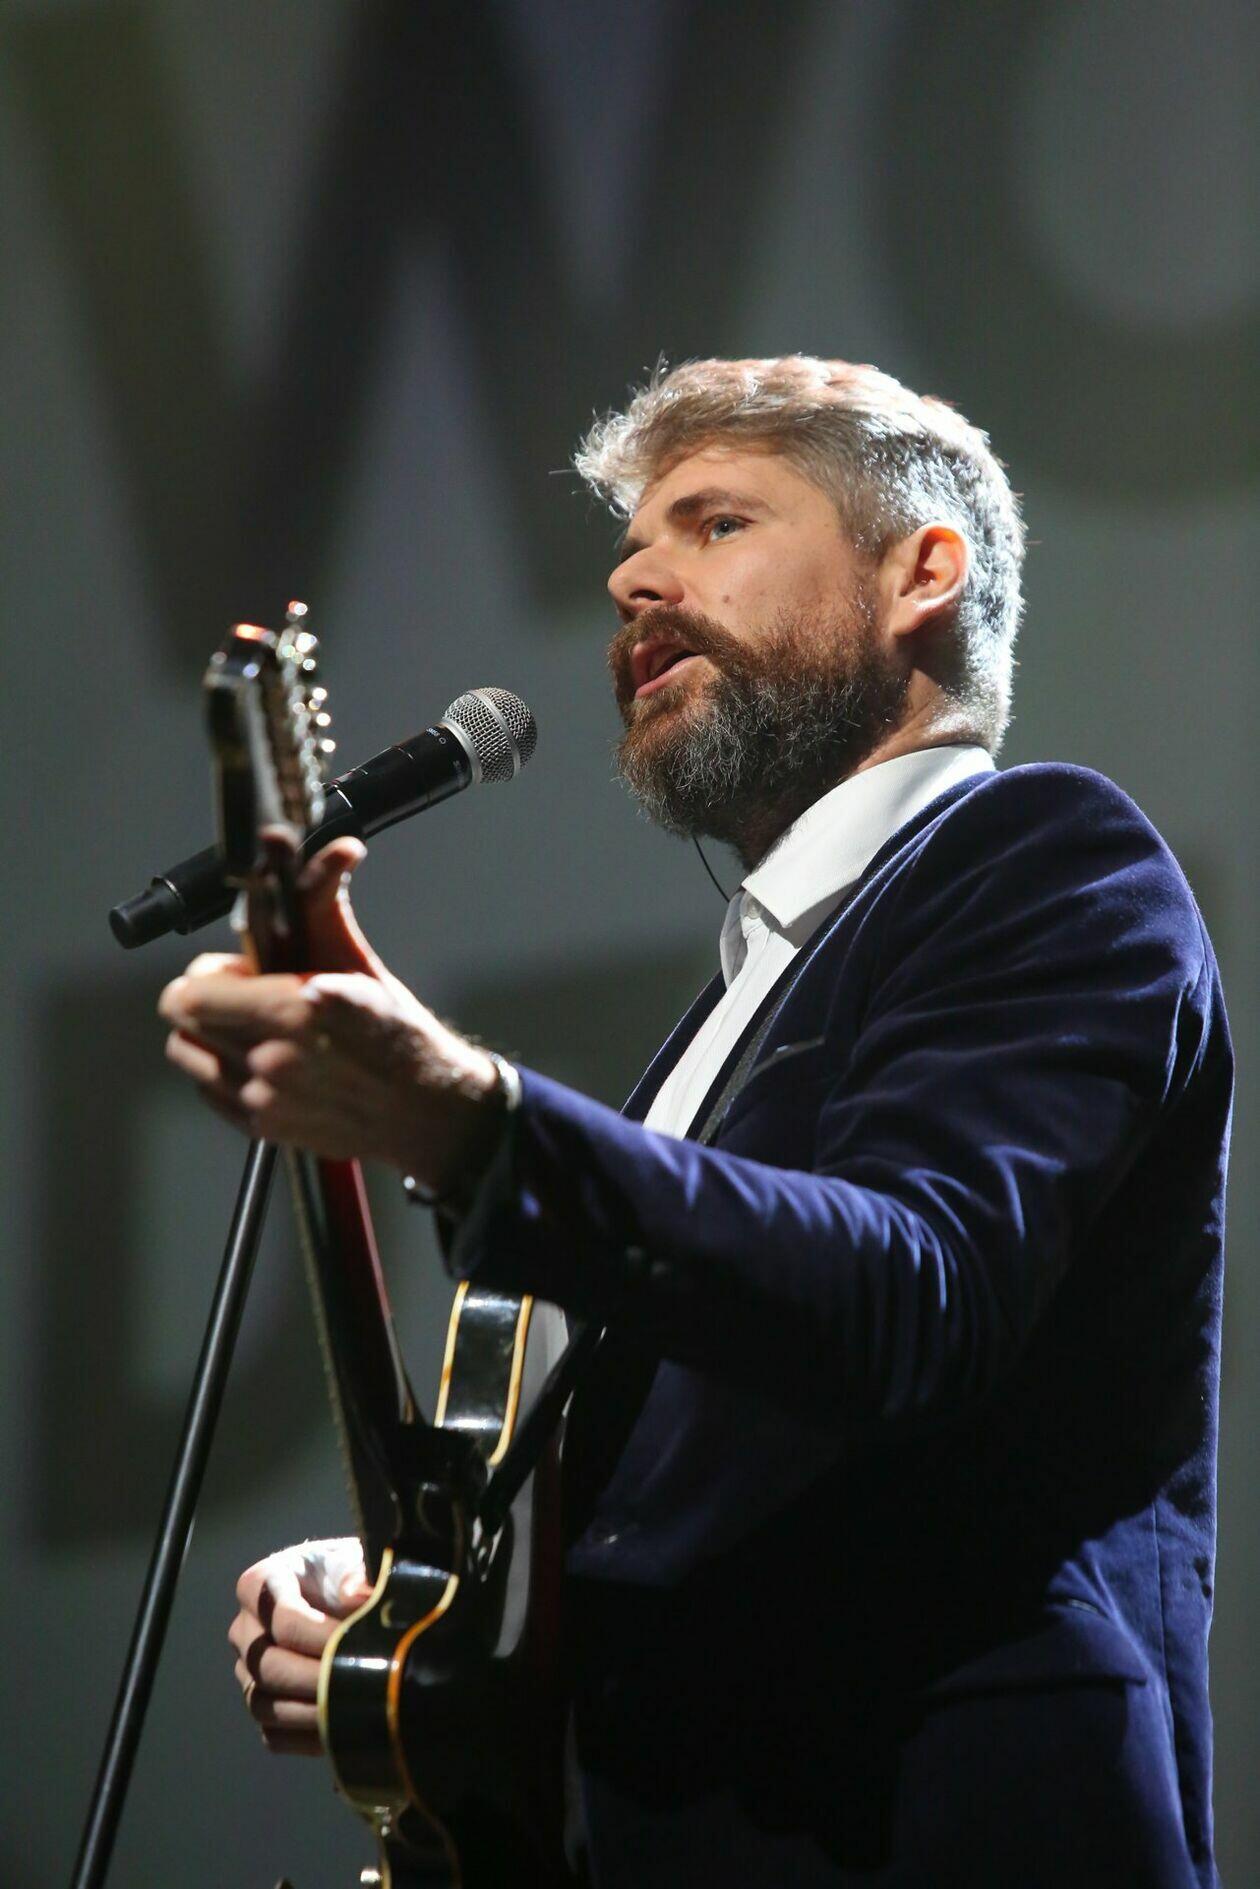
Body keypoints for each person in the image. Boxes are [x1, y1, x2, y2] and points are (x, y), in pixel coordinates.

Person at [160, 356, 1230, 1887]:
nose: (634, 583)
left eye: (716, 523)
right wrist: (423, 1600)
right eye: (628, 555)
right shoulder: (735, 1011)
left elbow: (911, 1292)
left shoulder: (1043, 854)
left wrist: (476, 1122)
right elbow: (687, 1489)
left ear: (922, 571)